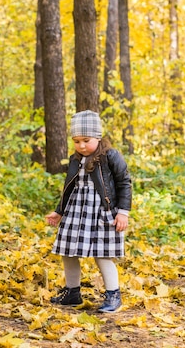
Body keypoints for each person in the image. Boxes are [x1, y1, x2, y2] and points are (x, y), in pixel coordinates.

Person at [45, 110, 132, 313]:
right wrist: (59, 212)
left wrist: (123, 212)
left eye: (86, 140)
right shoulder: (75, 159)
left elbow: (124, 182)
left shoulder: (110, 156)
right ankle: (72, 293)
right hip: (76, 211)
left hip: (102, 213)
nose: (81, 145)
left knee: (102, 254)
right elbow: (69, 187)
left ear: (98, 137)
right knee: (68, 251)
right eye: (76, 141)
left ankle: (113, 295)